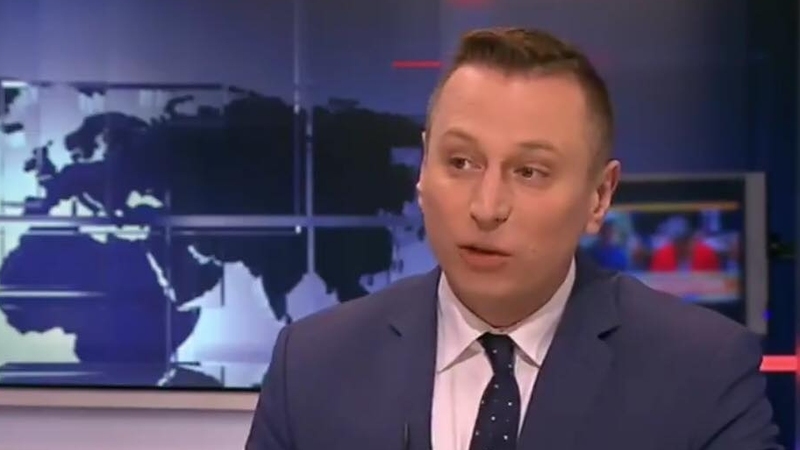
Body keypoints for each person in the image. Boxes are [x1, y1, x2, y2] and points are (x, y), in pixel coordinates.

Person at [246, 27, 781, 450]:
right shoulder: (310, 365)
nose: (486, 208)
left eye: (530, 172)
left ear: (599, 196)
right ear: (423, 168)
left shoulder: (702, 372)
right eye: (461, 162)